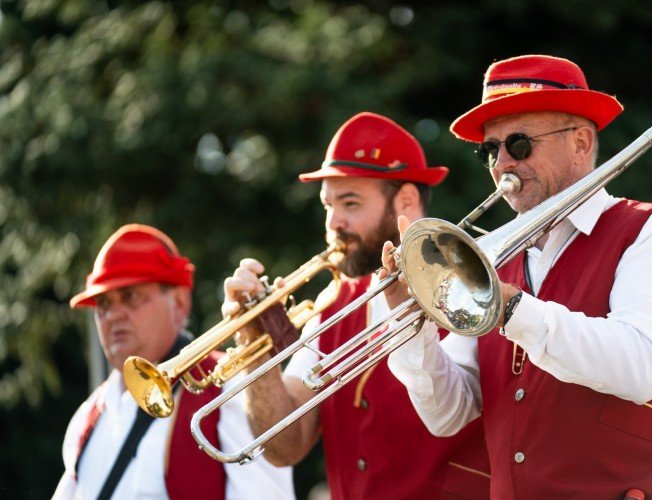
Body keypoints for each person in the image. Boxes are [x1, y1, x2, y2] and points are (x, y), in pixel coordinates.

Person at [383, 55, 652, 499]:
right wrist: (412, 327)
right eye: (489, 151)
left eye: (518, 144)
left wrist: (514, 309)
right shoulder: (491, 260)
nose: (501, 164)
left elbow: (641, 367)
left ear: (580, 142)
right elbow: (448, 414)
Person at [223, 112, 491, 499]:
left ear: (406, 200)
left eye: (349, 203)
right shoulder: (331, 304)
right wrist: (252, 348)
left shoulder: (471, 284)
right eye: (327, 205)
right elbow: (285, 445)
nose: (334, 222)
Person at [54, 224, 294, 500]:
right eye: (103, 303)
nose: (113, 315)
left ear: (180, 303)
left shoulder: (232, 394)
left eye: (131, 297)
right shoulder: (87, 418)